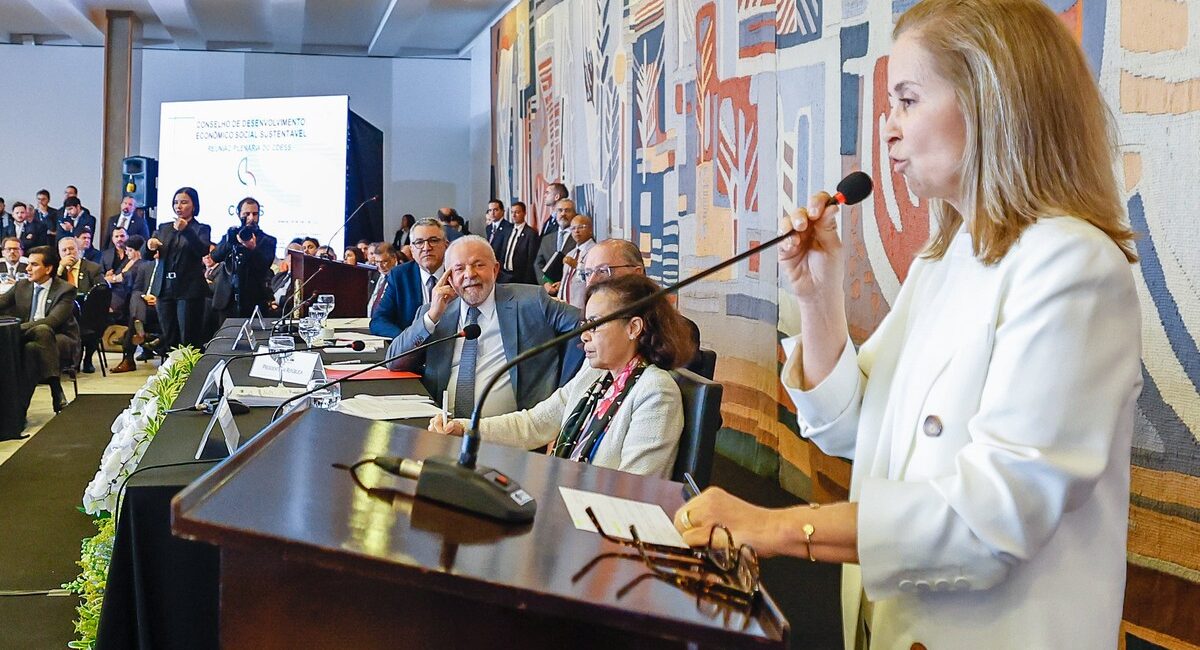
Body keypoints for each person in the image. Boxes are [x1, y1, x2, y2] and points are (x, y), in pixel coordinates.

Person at [674, 1, 1141, 648]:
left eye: (907, 100)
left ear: (989, 101)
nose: (888, 129)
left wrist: (775, 527)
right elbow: (851, 430)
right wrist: (819, 299)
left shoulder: (1074, 265)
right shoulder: (942, 260)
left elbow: (994, 517)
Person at [431, 274, 692, 477]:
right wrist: (463, 428)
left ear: (633, 327)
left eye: (596, 324)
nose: (585, 335)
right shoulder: (596, 375)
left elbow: (635, 490)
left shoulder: (656, 391)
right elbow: (534, 424)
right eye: (585, 324)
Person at [386, 235, 580, 418]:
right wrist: (432, 316)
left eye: (479, 265)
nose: (470, 274)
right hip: (443, 428)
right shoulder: (435, 312)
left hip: (512, 431)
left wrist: (566, 395)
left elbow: (588, 323)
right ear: (449, 278)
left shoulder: (531, 301)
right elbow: (394, 362)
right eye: (459, 269)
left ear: (495, 270)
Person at [0, 245, 79, 412]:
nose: (27, 269)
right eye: (28, 264)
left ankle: (19, 412)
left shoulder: (66, 290)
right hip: (28, 334)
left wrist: (15, 329)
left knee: (37, 339)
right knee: (34, 342)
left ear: (48, 269)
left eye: (34, 265)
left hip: (59, 337)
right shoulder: (22, 286)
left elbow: (52, 321)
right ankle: (56, 389)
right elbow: (2, 302)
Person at [146, 187, 212, 351]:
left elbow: (202, 250)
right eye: (176, 202)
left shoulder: (201, 229)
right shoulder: (164, 228)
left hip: (188, 288)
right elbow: (146, 254)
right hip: (164, 287)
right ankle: (171, 365)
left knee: (188, 337)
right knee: (169, 336)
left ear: (194, 206)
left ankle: (189, 367)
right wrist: (149, 246)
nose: (179, 206)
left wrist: (186, 230)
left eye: (184, 202)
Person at [370, 218, 446, 337]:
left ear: (446, 244)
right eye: (419, 242)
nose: (426, 247)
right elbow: (378, 321)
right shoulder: (400, 276)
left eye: (433, 240)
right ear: (411, 249)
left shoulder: (458, 273)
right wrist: (406, 340)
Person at [210, 197, 277, 324]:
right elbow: (215, 256)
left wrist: (253, 249)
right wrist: (231, 241)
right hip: (227, 299)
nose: (251, 218)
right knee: (226, 334)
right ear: (239, 214)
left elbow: (264, 265)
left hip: (254, 299)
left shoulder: (268, 240)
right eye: (246, 214)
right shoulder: (231, 236)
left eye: (255, 214)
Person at [553, 214, 596, 309]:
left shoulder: (595, 250)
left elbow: (595, 277)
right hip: (565, 307)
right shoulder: (570, 253)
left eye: (581, 227)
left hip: (583, 307)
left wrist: (577, 265)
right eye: (573, 228)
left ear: (590, 229)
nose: (576, 231)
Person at [535, 198, 577, 285]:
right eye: (560, 210)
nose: (563, 214)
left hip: (570, 287)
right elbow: (538, 264)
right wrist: (545, 283)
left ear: (574, 214)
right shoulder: (546, 239)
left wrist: (563, 283)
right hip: (548, 288)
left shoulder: (579, 237)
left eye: (567, 211)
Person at [497, 201, 538, 285]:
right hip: (504, 275)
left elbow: (531, 259)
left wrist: (527, 280)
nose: (514, 215)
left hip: (520, 277)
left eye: (517, 212)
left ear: (524, 213)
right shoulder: (507, 230)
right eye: (512, 212)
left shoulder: (530, 233)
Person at [365, 242, 401, 318]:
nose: (380, 266)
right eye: (377, 262)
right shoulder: (373, 274)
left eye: (384, 262)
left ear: (394, 258)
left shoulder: (402, 276)